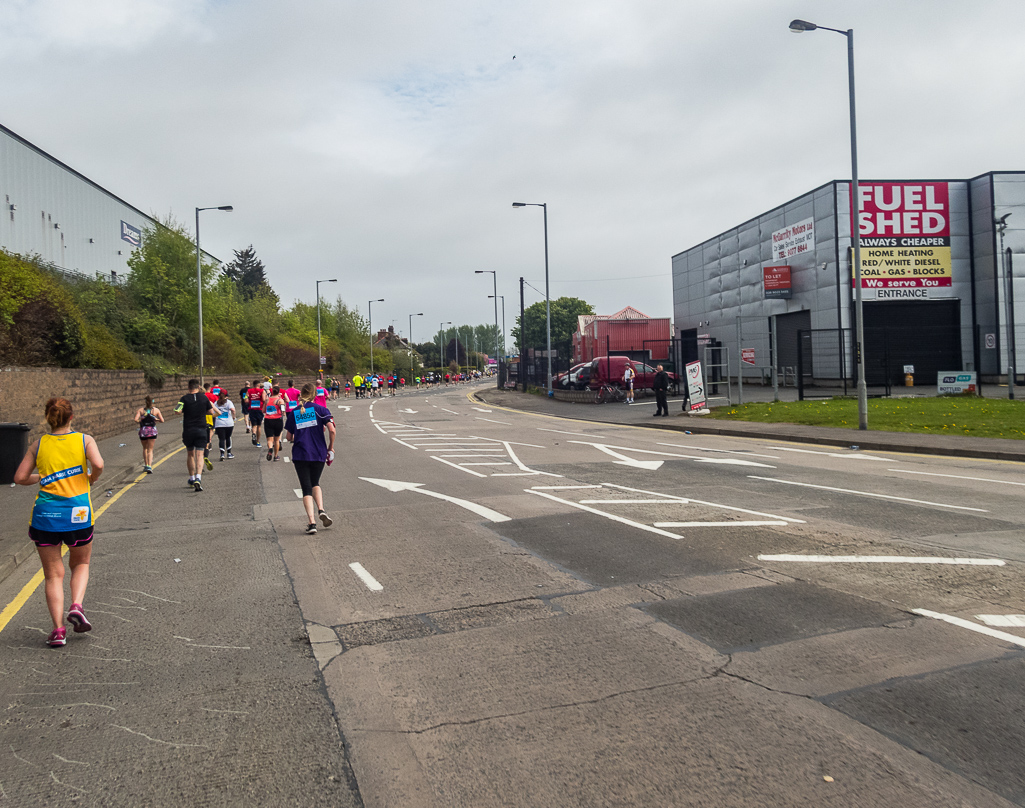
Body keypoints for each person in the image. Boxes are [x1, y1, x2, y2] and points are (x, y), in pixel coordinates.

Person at [14, 397, 104, 647]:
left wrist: (42, 477)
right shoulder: (85, 440)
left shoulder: (38, 444)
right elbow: (98, 464)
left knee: (53, 575)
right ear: (71, 417)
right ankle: (76, 605)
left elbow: (19, 477)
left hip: (45, 517)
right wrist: (90, 477)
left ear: (48, 418)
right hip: (78, 514)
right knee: (81, 563)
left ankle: (58, 631)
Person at [285, 382, 336, 535]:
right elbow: (332, 430)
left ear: (301, 394)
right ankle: (321, 509)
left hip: (301, 454)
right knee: (315, 483)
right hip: (318, 452)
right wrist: (330, 447)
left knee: (306, 488)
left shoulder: (295, 412)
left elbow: (288, 437)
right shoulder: (321, 410)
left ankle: (312, 523)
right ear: (314, 395)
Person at [177, 379, 219, 491]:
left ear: (188, 387)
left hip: (188, 430)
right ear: (199, 387)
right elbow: (211, 412)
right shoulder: (204, 398)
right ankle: (198, 478)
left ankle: (191, 478)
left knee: (190, 454)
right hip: (201, 429)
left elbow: (177, 411)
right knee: (200, 455)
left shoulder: (184, 399)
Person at [133, 395, 164, 473]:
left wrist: (141, 421)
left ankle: (146, 465)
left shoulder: (141, 410)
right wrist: (156, 419)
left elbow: (135, 419)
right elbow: (162, 420)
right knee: (150, 449)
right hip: (152, 431)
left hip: (143, 431)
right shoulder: (156, 410)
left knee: (145, 448)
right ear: (152, 401)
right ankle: (149, 466)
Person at [263, 385, 287, 461]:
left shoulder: (267, 400)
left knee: (269, 439)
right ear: (279, 392)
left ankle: (270, 448)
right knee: (276, 439)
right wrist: (283, 412)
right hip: (277, 420)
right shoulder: (280, 400)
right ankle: (276, 456)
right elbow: (283, 410)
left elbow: (263, 411)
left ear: (272, 392)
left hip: (268, 420)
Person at [213, 388, 236, 459]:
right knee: (228, 437)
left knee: (221, 439)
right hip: (229, 423)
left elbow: (213, 412)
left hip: (219, 424)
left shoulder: (216, 403)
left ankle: (222, 454)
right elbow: (233, 409)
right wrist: (233, 417)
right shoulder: (229, 402)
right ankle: (229, 453)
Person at [246, 380, 266, 447]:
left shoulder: (249, 391)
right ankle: (258, 442)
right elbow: (263, 399)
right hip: (259, 409)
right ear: (259, 385)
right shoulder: (262, 391)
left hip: (252, 409)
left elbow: (245, 399)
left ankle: (253, 433)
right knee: (259, 426)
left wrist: (250, 400)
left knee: (254, 425)